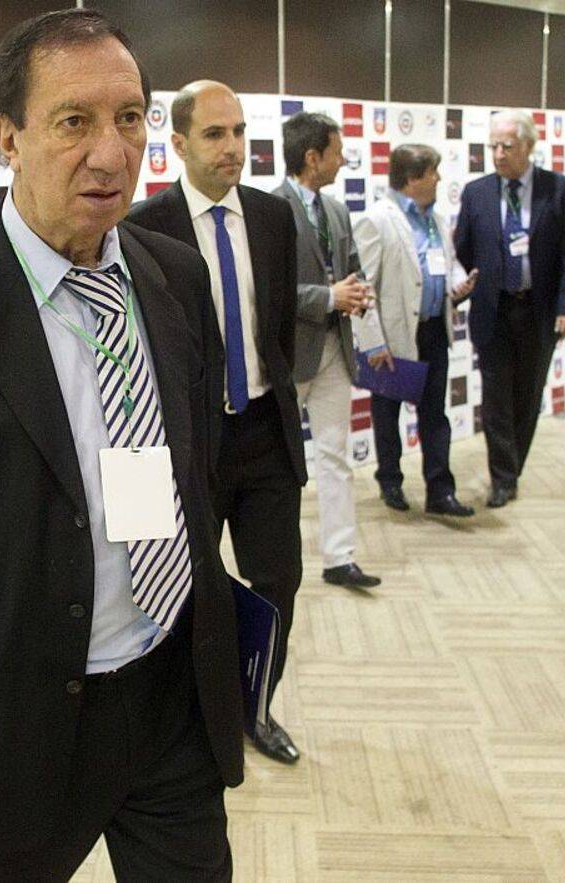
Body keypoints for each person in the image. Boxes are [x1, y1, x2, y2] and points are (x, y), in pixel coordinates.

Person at [0, 11, 243, 880]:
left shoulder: (175, 275)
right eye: (74, 122)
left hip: (170, 697)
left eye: (129, 118)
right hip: (10, 734)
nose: (111, 153)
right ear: (8, 137)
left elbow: (195, 477)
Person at [128, 81, 308, 766]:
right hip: (188, 445)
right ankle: (192, 716)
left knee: (278, 581)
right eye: (214, 134)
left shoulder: (272, 215)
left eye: (238, 132)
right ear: (177, 143)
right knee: (184, 591)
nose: (232, 147)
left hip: (264, 433)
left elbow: (278, 328)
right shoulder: (144, 226)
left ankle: (256, 706)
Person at [272, 112, 382, 591]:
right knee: (281, 468)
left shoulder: (337, 210)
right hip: (289, 358)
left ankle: (340, 558)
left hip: (338, 350)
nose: (343, 161)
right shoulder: (270, 209)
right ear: (312, 157)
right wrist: (327, 297)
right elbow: (270, 291)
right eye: (337, 153)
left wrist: (359, 293)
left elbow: (352, 266)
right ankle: (279, 560)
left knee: (335, 457)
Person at [454, 110, 565, 507]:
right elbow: (462, 248)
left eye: (507, 146)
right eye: (493, 146)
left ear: (528, 146)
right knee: (496, 399)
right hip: (493, 309)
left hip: (538, 311)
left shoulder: (559, 190)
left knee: (527, 396)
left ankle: (513, 468)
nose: (498, 154)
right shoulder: (476, 192)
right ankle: (503, 479)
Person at [353, 144, 478, 517]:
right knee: (387, 413)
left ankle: (441, 491)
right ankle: (390, 481)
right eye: (432, 173)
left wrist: (457, 283)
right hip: (394, 336)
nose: (439, 179)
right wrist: (373, 342)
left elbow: (446, 264)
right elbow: (362, 286)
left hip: (435, 330)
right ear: (411, 179)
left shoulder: (436, 219)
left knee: (435, 414)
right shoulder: (377, 220)